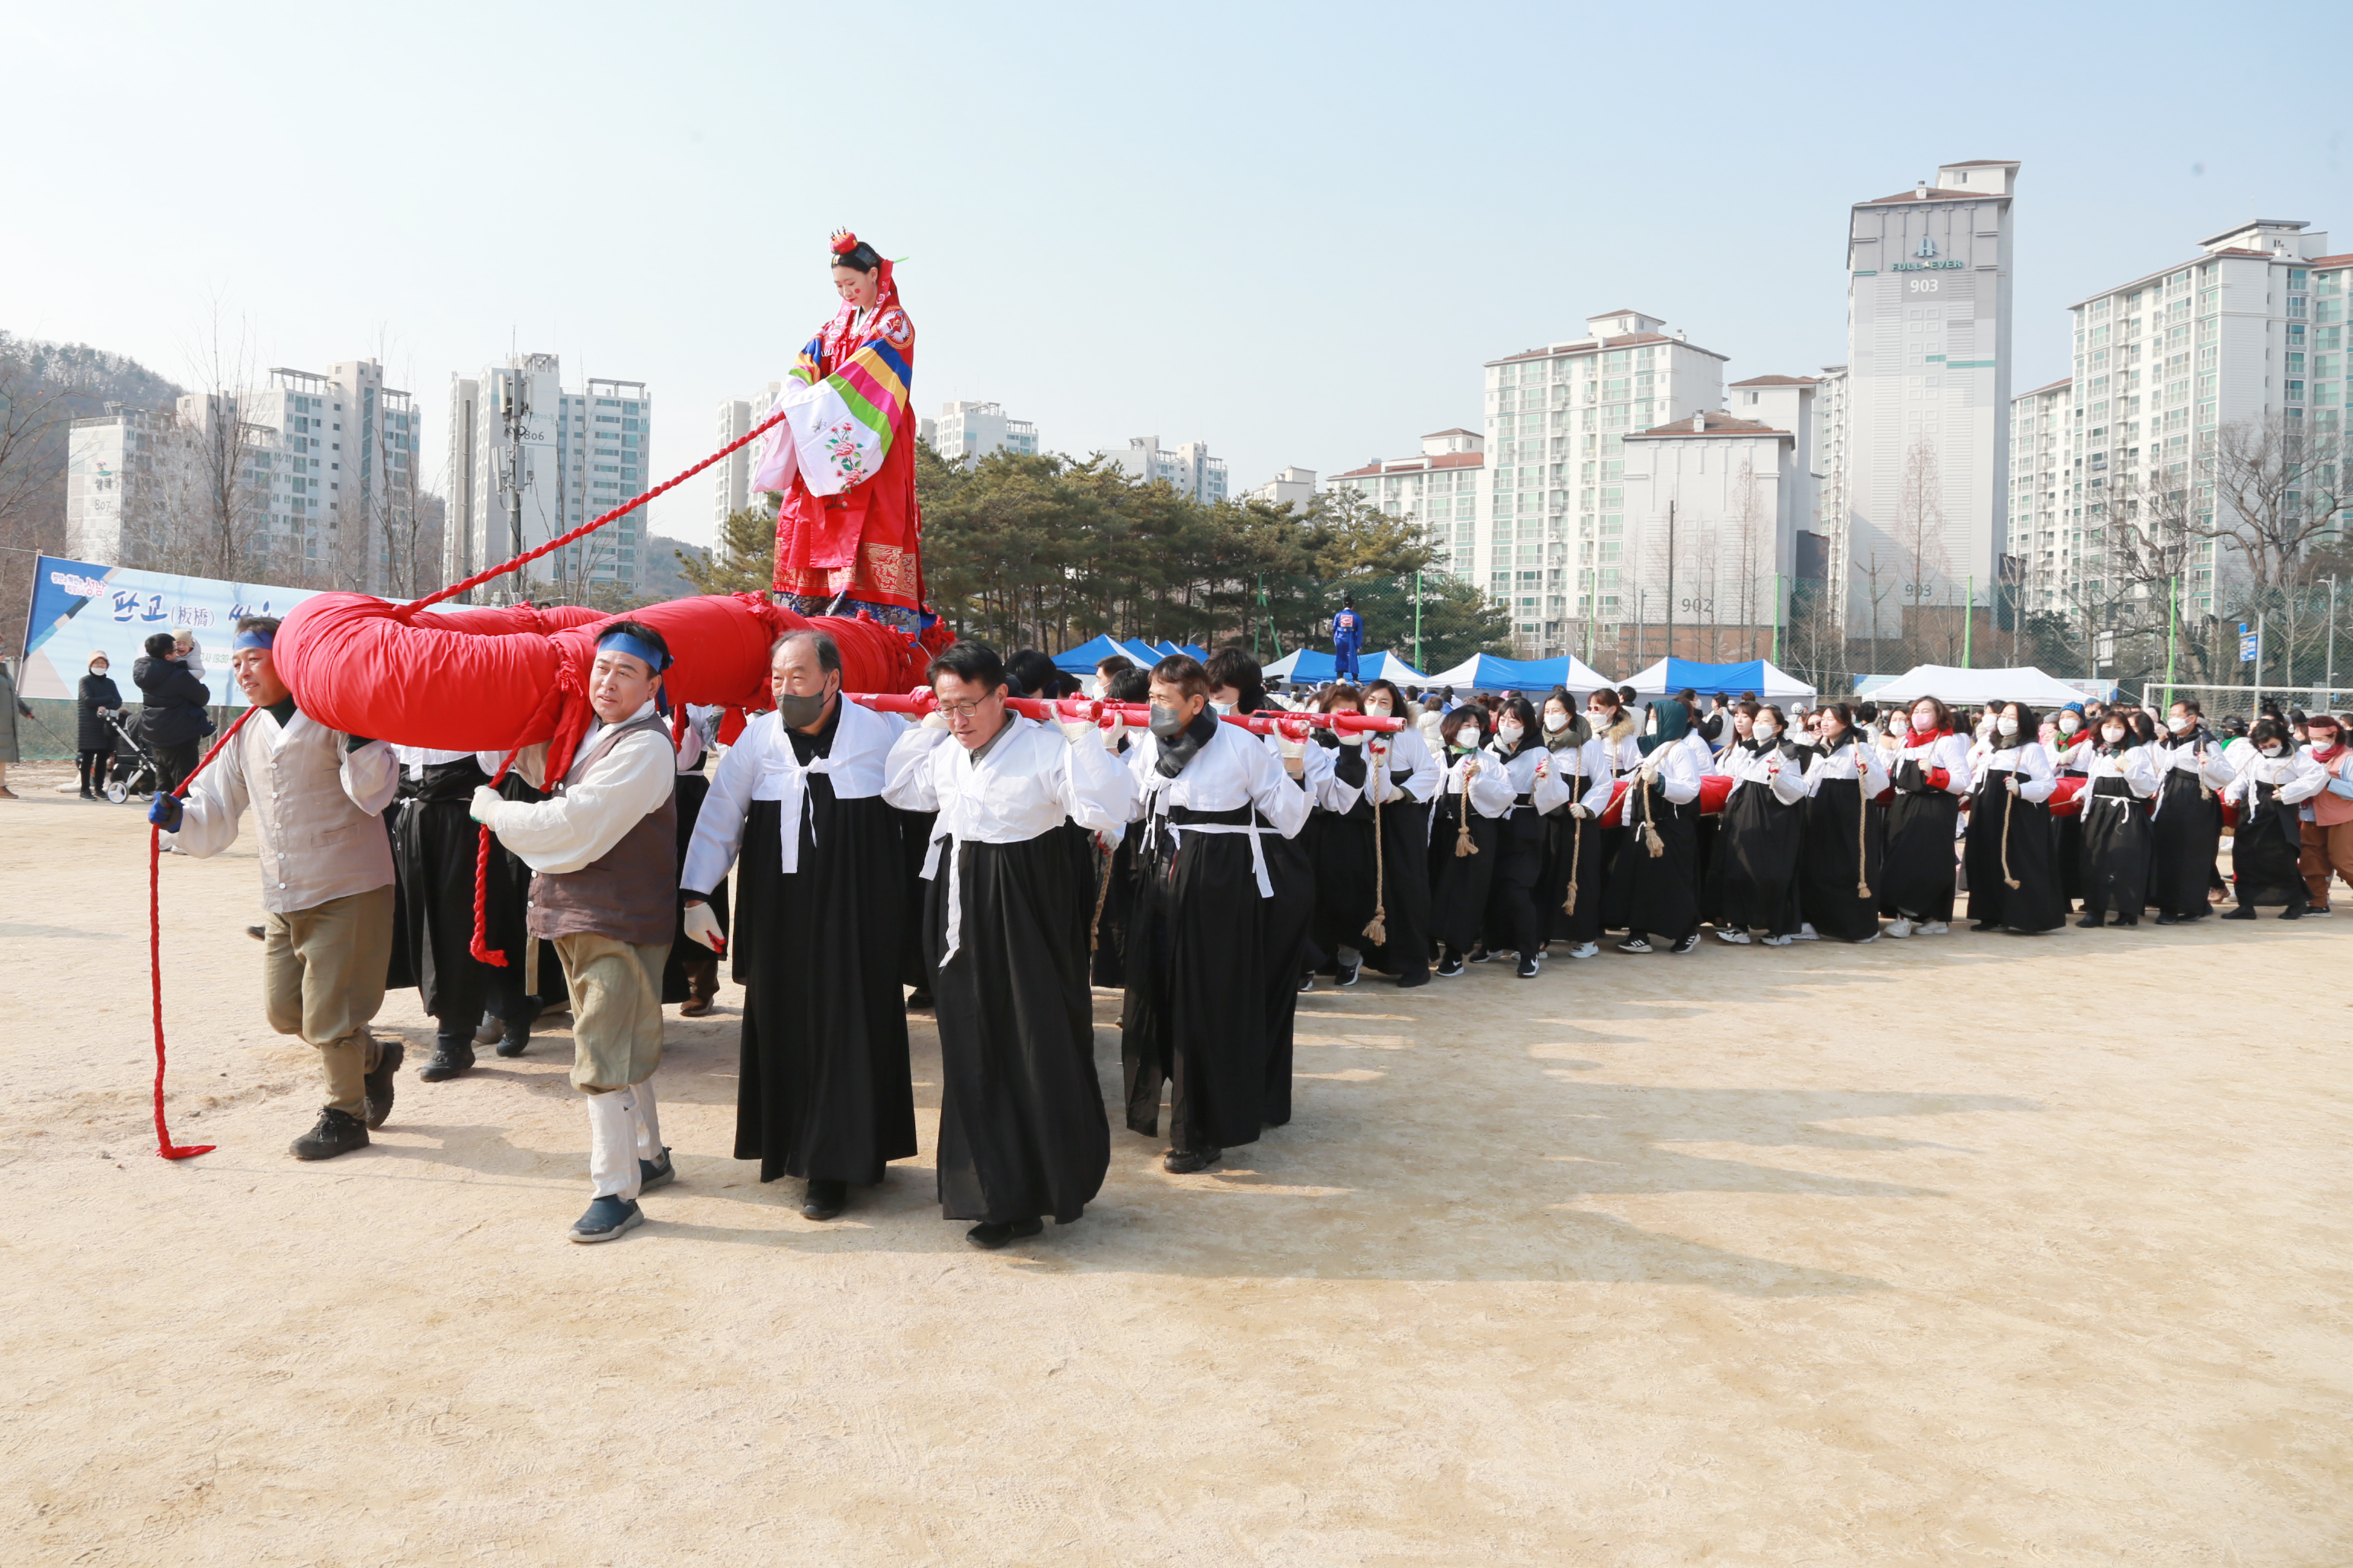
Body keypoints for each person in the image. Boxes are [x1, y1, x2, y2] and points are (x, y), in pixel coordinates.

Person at [884, 640, 1135, 1247]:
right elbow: (900, 791)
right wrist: (925, 726)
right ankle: (995, 1193)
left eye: (969, 705)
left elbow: (1109, 809)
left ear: (1002, 694)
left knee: (1036, 1039)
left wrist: (1082, 738)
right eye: (948, 707)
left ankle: (1054, 1180)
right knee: (972, 1042)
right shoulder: (945, 749)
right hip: (958, 899)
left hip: (1029, 903)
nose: (959, 720)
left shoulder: (1047, 748)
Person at [680, 629, 918, 1221]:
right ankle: (798, 1150)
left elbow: (934, 784)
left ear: (833, 681)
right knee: (788, 1016)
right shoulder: (758, 738)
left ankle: (845, 1159)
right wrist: (694, 895)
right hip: (779, 904)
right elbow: (720, 817)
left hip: (861, 906)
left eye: (799, 678)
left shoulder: (883, 732)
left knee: (854, 1018)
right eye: (778, 678)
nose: (786, 690)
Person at [148, 616, 403, 1159]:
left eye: (254, 659)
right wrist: (179, 819)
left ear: (289, 658)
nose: (243, 671)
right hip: (284, 890)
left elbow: (373, 793)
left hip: (349, 884)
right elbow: (216, 810)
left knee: (330, 1015)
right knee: (286, 1013)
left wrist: (359, 737)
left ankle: (345, 1115)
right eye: (236, 662)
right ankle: (375, 1061)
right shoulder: (243, 733)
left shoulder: (335, 715)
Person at [469, 621, 680, 1243]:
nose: (607, 681)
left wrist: (495, 810)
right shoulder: (591, 732)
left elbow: (576, 823)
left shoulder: (645, 746)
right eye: (601, 667)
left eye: (625, 672)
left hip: (620, 919)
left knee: (602, 1050)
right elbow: (529, 762)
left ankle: (614, 1190)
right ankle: (651, 1154)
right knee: (622, 1037)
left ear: (653, 685)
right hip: (581, 914)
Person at [1119, 653, 1311, 1173]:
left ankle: (1202, 1128)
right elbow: (1130, 805)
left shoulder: (1244, 745)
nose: (1152, 707)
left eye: (1163, 700)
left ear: (1197, 702)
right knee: (1157, 991)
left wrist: (1294, 763)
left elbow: (1290, 821)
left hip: (1219, 879)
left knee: (1207, 1001)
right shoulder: (1148, 744)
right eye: (1151, 698)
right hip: (1160, 872)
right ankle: (1169, 1102)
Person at [757, 231, 924, 632]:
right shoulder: (833, 327)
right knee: (812, 508)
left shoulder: (895, 324)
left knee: (876, 515)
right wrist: (798, 394)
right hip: (823, 431)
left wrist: (820, 400)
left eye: (853, 283)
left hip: (875, 430)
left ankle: (872, 616)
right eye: (839, 286)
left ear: (873, 275)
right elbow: (805, 363)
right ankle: (807, 607)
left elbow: (868, 373)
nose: (846, 292)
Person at [386, 742, 518, 1081]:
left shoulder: (474, 696)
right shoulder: (399, 702)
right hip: (411, 816)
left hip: (462, 819)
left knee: (458, 928)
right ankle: (515, 1007)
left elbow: (496, 762)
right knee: (420, 925)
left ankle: (454, 1039)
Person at [1354, 678, 1439, 987]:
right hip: (1365, 818)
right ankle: (1373, 956)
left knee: (1406, 885)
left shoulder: (1407, 735)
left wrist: (1402, 792)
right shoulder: (1354, 735)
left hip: (1402, 819)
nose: (1376, 707)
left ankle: (1414, 962)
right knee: (1372, 884)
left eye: (1385, 702)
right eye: (1371, 700)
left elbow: (1430, 772)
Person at [1605, 697, 1706, 954]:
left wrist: (1660, 781)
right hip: (1644, 827)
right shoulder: (1652, 749)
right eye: (1649, 718)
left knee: (1667, 884)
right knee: (1638, 881)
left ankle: (1687, 931)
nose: (1649, 723)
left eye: (1654, 719)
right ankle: (1639, 933)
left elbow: (1691, 789)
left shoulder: (1680, 750)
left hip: (1668, 829)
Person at [1709, 703, 1809, 946]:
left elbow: (1798, 790)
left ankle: (1779, 928)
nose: (1759, 726)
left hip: (1772, 820)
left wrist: (1780, 776)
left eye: (1765, 721)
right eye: (1758, 721)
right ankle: (1739, 926)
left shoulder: (1787, 751)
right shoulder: (1750, 748)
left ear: (1779, 728)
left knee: (1769, 874)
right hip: (1743, 816)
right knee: (1738, 869)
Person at [1962, 702, 2064, 934]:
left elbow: (2047, 784)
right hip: (1987, 810)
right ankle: (1989, 913)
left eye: (2012, 717)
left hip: (2017, 814)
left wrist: (2021, 789)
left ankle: (2024, 917)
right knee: (1986, 857)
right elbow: (1980, 774)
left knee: (2017, 860)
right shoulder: (1990, 744)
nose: (2005, 720)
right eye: (2003, 715)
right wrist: (1968, 793)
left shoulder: (2030, 749)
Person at [1428, 703, 1513, 977]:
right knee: (1433, 885)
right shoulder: (1436, 759)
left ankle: (1455, 953)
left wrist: (1479, 781)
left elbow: (1504, 797)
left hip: (1474, 832)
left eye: (1477, 727)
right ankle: (1429, 944)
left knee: (1466, 892)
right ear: (1451, 729)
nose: (1472, 731)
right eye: (1466, 726)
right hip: (1440, 830)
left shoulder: (1489, 763)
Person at [1880, 697, 1972, 938]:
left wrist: (1935, 773)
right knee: (1898, 857)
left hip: (1933, 805)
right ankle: (1929, 916)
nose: (1919, 716)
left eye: (1926, 711)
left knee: (1924, 860)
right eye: (1916, 711)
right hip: (1903, 805)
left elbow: (1962, 780)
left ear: (1938, 715)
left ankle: (1909, 916)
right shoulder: (1906, 742)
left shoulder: (1947, 742)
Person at [1799, 703, 1888, 942]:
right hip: (1821, 812)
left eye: (1830, 719)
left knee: (1850, 866)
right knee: (1819, 865)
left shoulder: (1860, 747)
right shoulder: (1819, 749)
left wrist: (1866, 769)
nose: (1824, 724)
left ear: (1846, 722)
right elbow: (1809, 783)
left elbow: (1881, 784)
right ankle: (1818, 922)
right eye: (1822, 720)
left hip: (1850, 812)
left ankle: (1857, 927)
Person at [2223, 718, 2325, 918]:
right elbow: (2242, 776)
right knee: (2245, 855)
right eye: (2264, 746)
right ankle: (2246, 905)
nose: (2268, 749)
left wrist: (2289, 791)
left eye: (2273, 745)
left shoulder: (2296, 757)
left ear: (2282, 740)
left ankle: (2296, 902)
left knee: (2280, 857)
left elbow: (2318, 776)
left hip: (2279, 806)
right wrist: (2233, 793)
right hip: (2252, 806)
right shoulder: (2252, 755)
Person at [1481, 696, 1552, 978]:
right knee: (1491, 886)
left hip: (1524, 825)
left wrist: (1544, 782)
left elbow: (1551, 794)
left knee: (1517, 890)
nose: (1507, 725)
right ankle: (1492, 943)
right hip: (1492, 823)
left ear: (1527, 725)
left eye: (1515, 721)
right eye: (1504, 719)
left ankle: (1529, 950)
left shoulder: (1539, 753)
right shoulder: (1489, 748)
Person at [1533, 689, 1606, 961]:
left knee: (1578, 876)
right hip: (1544, 819)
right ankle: (1540, 936)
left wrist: (1586, 807)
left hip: (1576, 821)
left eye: (1557, 711)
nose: (1552, 717)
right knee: (1543, 874)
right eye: (1548, 712)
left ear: (1570, 714)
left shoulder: (1588, 745)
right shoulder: (1538, 743)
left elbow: (1603, 782)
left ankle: (1585, 937)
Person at [2147, 699, 2235, 926]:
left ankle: (2185, 906)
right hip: (2171, 799)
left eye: (2178, 714)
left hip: (2195, 801)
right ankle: (2178, 903)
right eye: (2171, 714)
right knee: (2165, 851)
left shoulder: (2205, 742)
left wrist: (2208, 764)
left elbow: (2227, 775)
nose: (2172, 718)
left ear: (2192, 718)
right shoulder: (2173, 740)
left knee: (2189, 856)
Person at [2076, 711, 2159, 928]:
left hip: (2126, 813)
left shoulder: (2136, 752)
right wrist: (2084, 796)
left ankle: (2127, 911)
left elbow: (2149, 788)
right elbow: (2093, 780)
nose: (2112, 731)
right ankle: (2095, 911)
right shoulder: (2099, 752)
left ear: (2126, 730)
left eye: (2118, 726)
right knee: (2095, 859)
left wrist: (2128, 769)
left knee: (2125, 861)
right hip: (2099, 811)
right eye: (2107, 726)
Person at [133, 631, 214, 796]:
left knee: (163, 786)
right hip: (180, 736)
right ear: (168, 656)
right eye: (175, 650)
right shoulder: (178, 676)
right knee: (185, 788)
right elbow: (202, 697)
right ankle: (183, 821)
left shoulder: (144, 672)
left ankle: (162, 820)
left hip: (156, 735)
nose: (178, 652)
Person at [2297, 714, 2353, 915]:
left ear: (2334, 735)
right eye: (2313, 739)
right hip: (2311, 815)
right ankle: (2318, 902)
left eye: (2320, 739)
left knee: (2344, 860)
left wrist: (2329, 781)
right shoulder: (2308, 756)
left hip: (2342, 817)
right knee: (2311, 860)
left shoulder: (2348, 757)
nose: (2316, 743)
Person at [75, 653, 123, 801]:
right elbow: (88, 701)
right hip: (89, 725)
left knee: (103, 757)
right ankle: (84, 790)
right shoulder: (85, 681)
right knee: (88, 758)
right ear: (90, 665)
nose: (100, 666)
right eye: (97, 663)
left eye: (103, 663)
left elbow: (119, 701)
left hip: (106, 723)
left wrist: (104, 706)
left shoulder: (110, 683)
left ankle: (99, 788)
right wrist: (108, 699)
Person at [1330, 595, 1364, 682]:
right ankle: (1355, 678)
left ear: (1343, 604)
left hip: (1340, 638)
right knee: (1352, 656)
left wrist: (1336, 639)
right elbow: (1359, 631)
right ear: (1353, 605)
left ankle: (1339, 677)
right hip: (1351, 638)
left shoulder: (1338, 615)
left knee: (1340, 656)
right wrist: (1358, 644)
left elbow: (1334, 628)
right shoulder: (1357, 617)